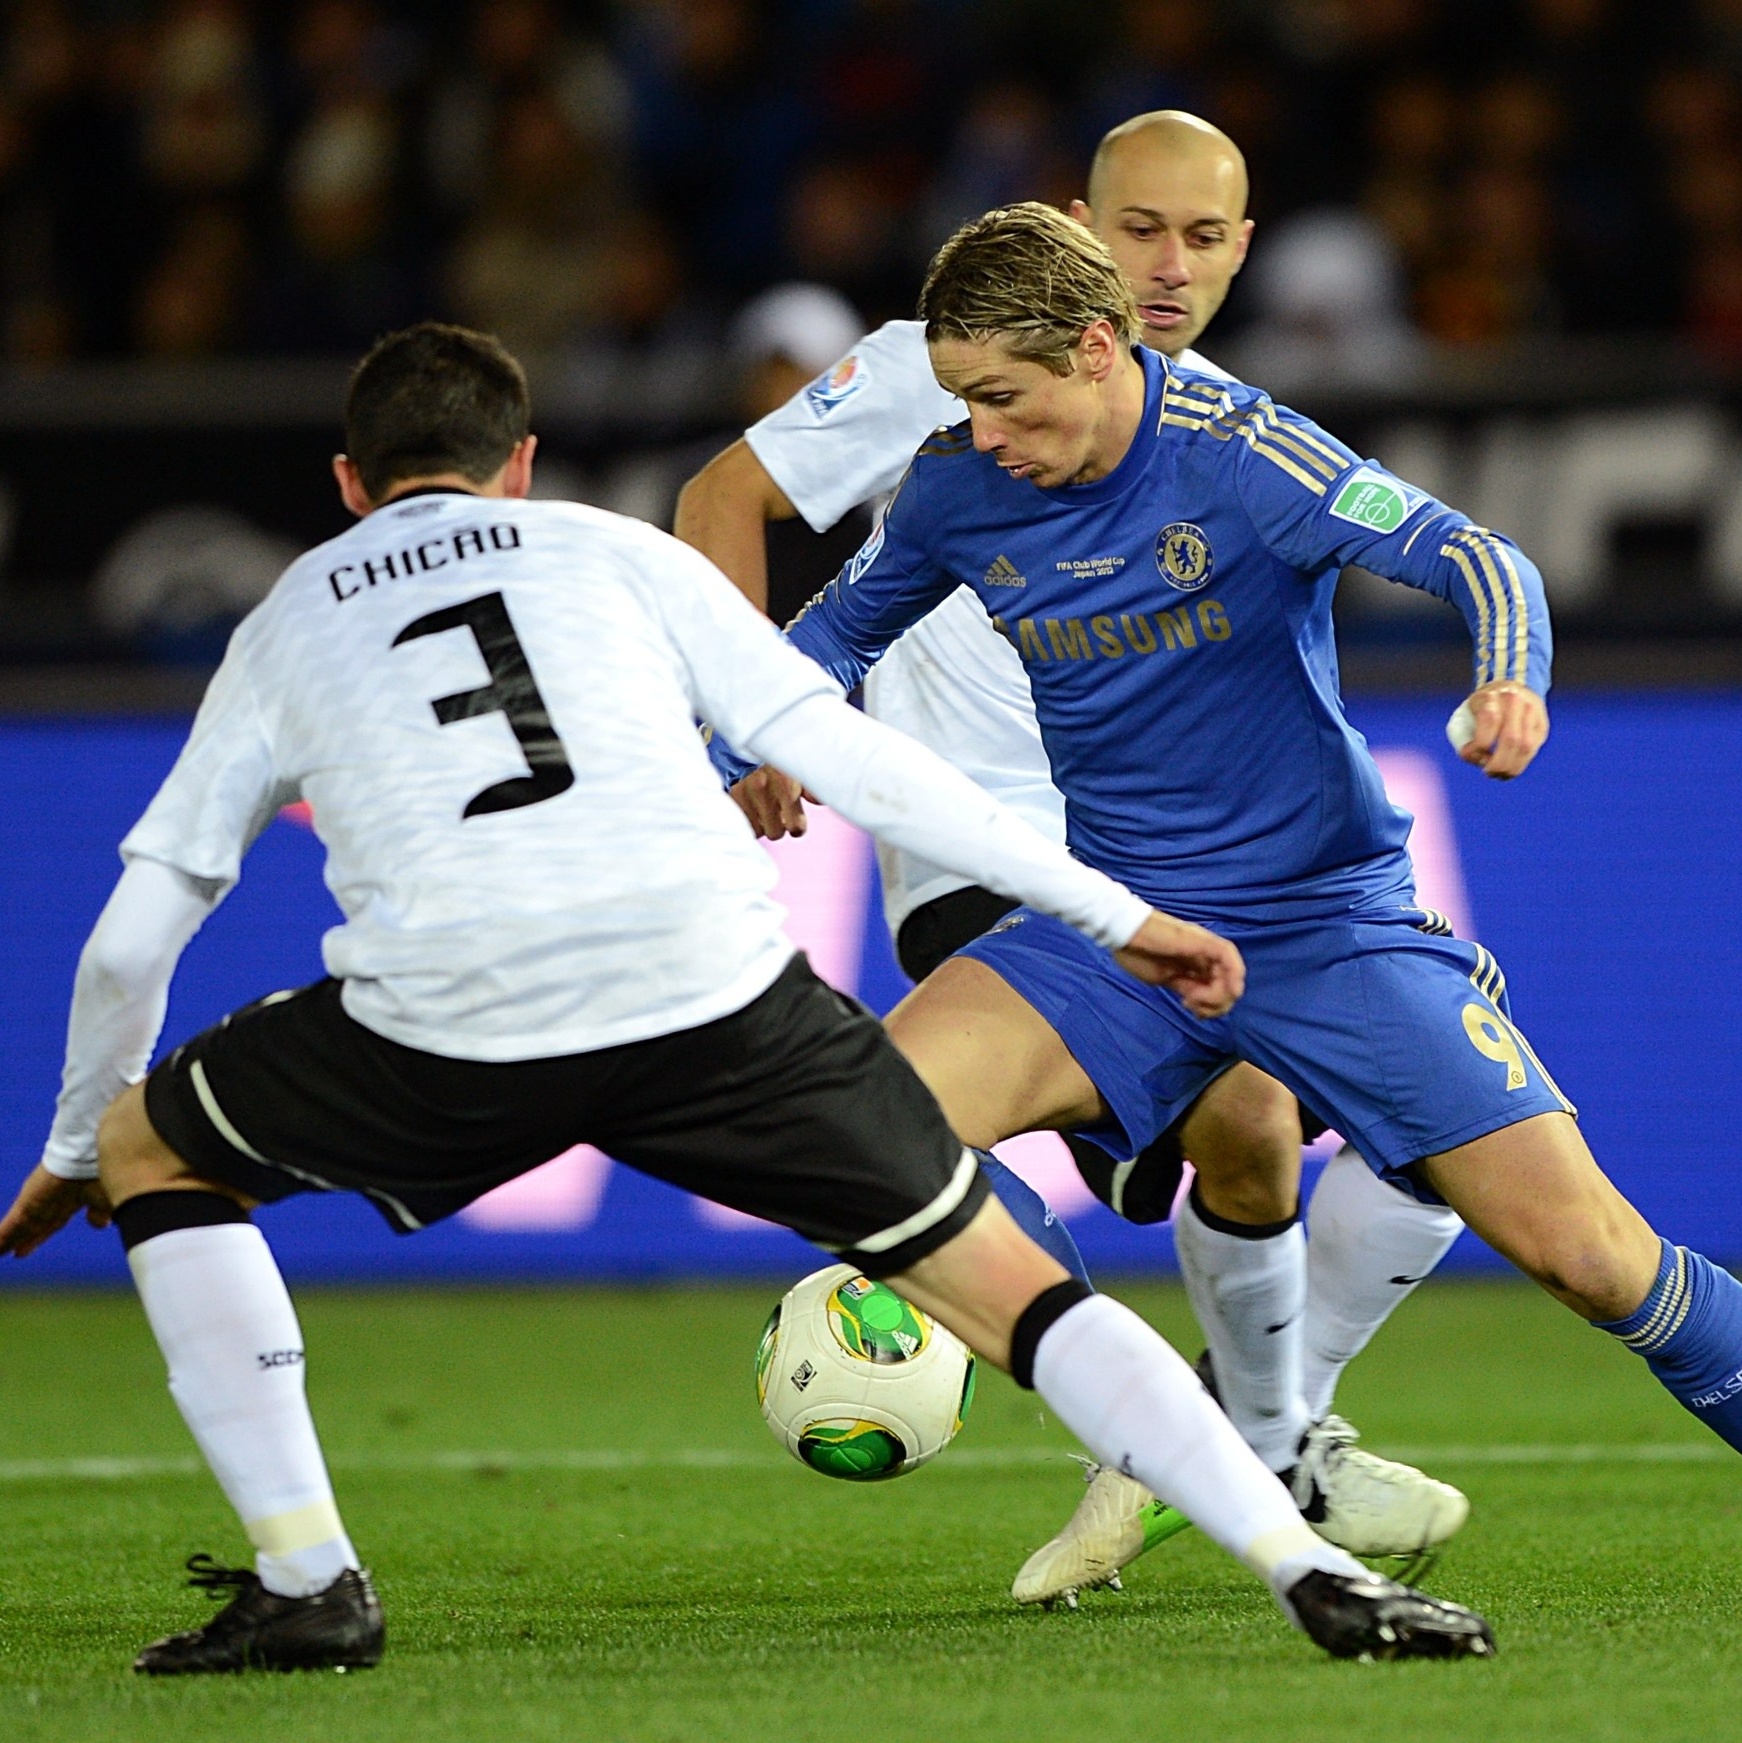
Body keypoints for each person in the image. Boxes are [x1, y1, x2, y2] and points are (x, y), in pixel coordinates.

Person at [0, 323, 1494, 1673]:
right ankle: (1307, 1571)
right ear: (518, 464)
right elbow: (853, 758)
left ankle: (309, 1581)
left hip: (453, 1017)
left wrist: (78, 1145)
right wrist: (1119, 915)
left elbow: (139, 931)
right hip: (714, 996)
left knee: (154, 1146)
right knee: (1017, 1296)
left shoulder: (287, 620)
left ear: (347, 481)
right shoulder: (614, 553)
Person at [716, 207, 1742, 1541]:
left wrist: (1508, 683)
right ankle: (1140, 1421)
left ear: (1094, 351)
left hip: (1322, 924)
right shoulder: (958, 488)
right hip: (1115, 929)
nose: (981, 434)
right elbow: (834, 633)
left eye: (1004, 401)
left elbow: (1474, 556)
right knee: (866, 1138)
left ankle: (1213, 1430)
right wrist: (757, 732)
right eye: (964, 401)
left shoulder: (1245, 456)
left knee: (1593, 1260)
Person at [677, 111, 1467, 1604]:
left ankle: (1246, 1430)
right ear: (1073, 218)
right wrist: (759, 717)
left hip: (1172, 849)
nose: (1167, 266)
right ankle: (1208, 1424)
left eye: (1203, 236)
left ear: (1244, 245)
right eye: (1138, 227)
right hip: (985, 840)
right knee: (1159, 1108)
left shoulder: (1215, 417)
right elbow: (727, 496)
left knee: (1278, 1139)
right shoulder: (939, 359)